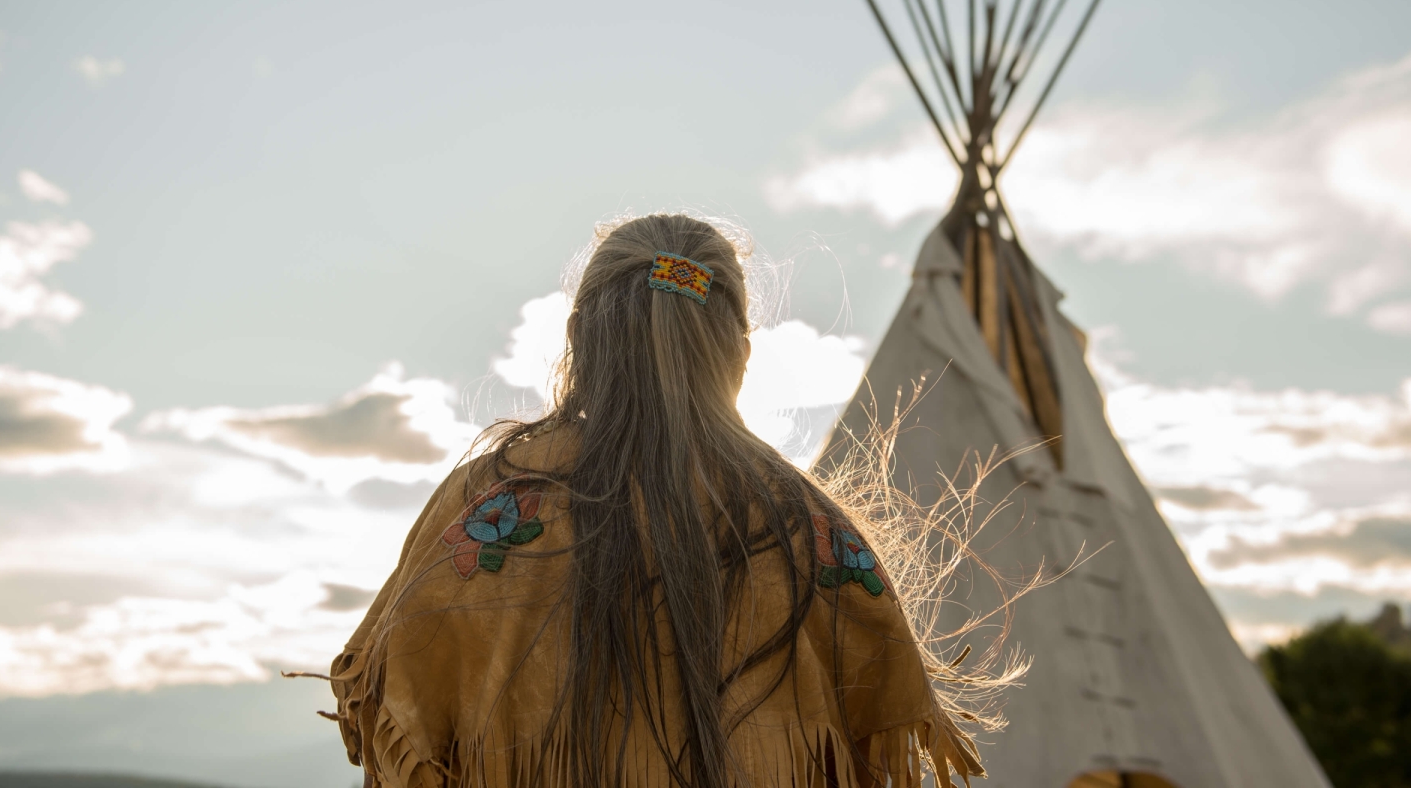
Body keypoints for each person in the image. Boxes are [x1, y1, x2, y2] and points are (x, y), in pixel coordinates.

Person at [323, 214, 987, 787]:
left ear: (579, 337)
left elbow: (401, 727)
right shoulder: (811, 530)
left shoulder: (489, 506)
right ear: (741, 356)